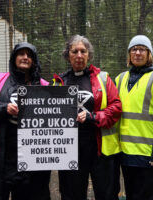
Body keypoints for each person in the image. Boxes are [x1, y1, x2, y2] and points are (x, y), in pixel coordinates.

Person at [0, 42, 51, 200]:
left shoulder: (45, 86)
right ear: (14, 58)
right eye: (21, 54)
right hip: (1, 153)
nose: (25, 57)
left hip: (32, 157)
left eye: (29, 55)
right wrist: (4, 109)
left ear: (34, 61)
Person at [53, 35, 122, 200]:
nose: (79, 55)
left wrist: (93, 116)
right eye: (74, 51)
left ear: (88, 55)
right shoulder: (58, 82)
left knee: (106, 194)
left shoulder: (103, 79)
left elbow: (116, 107)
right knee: (72, 194)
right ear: (67, 55)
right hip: (70, 151)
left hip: (100, 149)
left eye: (83, 51)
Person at [115, 35, 153, 200]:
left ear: (149, 54)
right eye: (134, 49)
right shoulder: (120, 79)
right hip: (126, 155)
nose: (138, 53)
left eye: (142, 49)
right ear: (129, 54)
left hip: (148, 157)